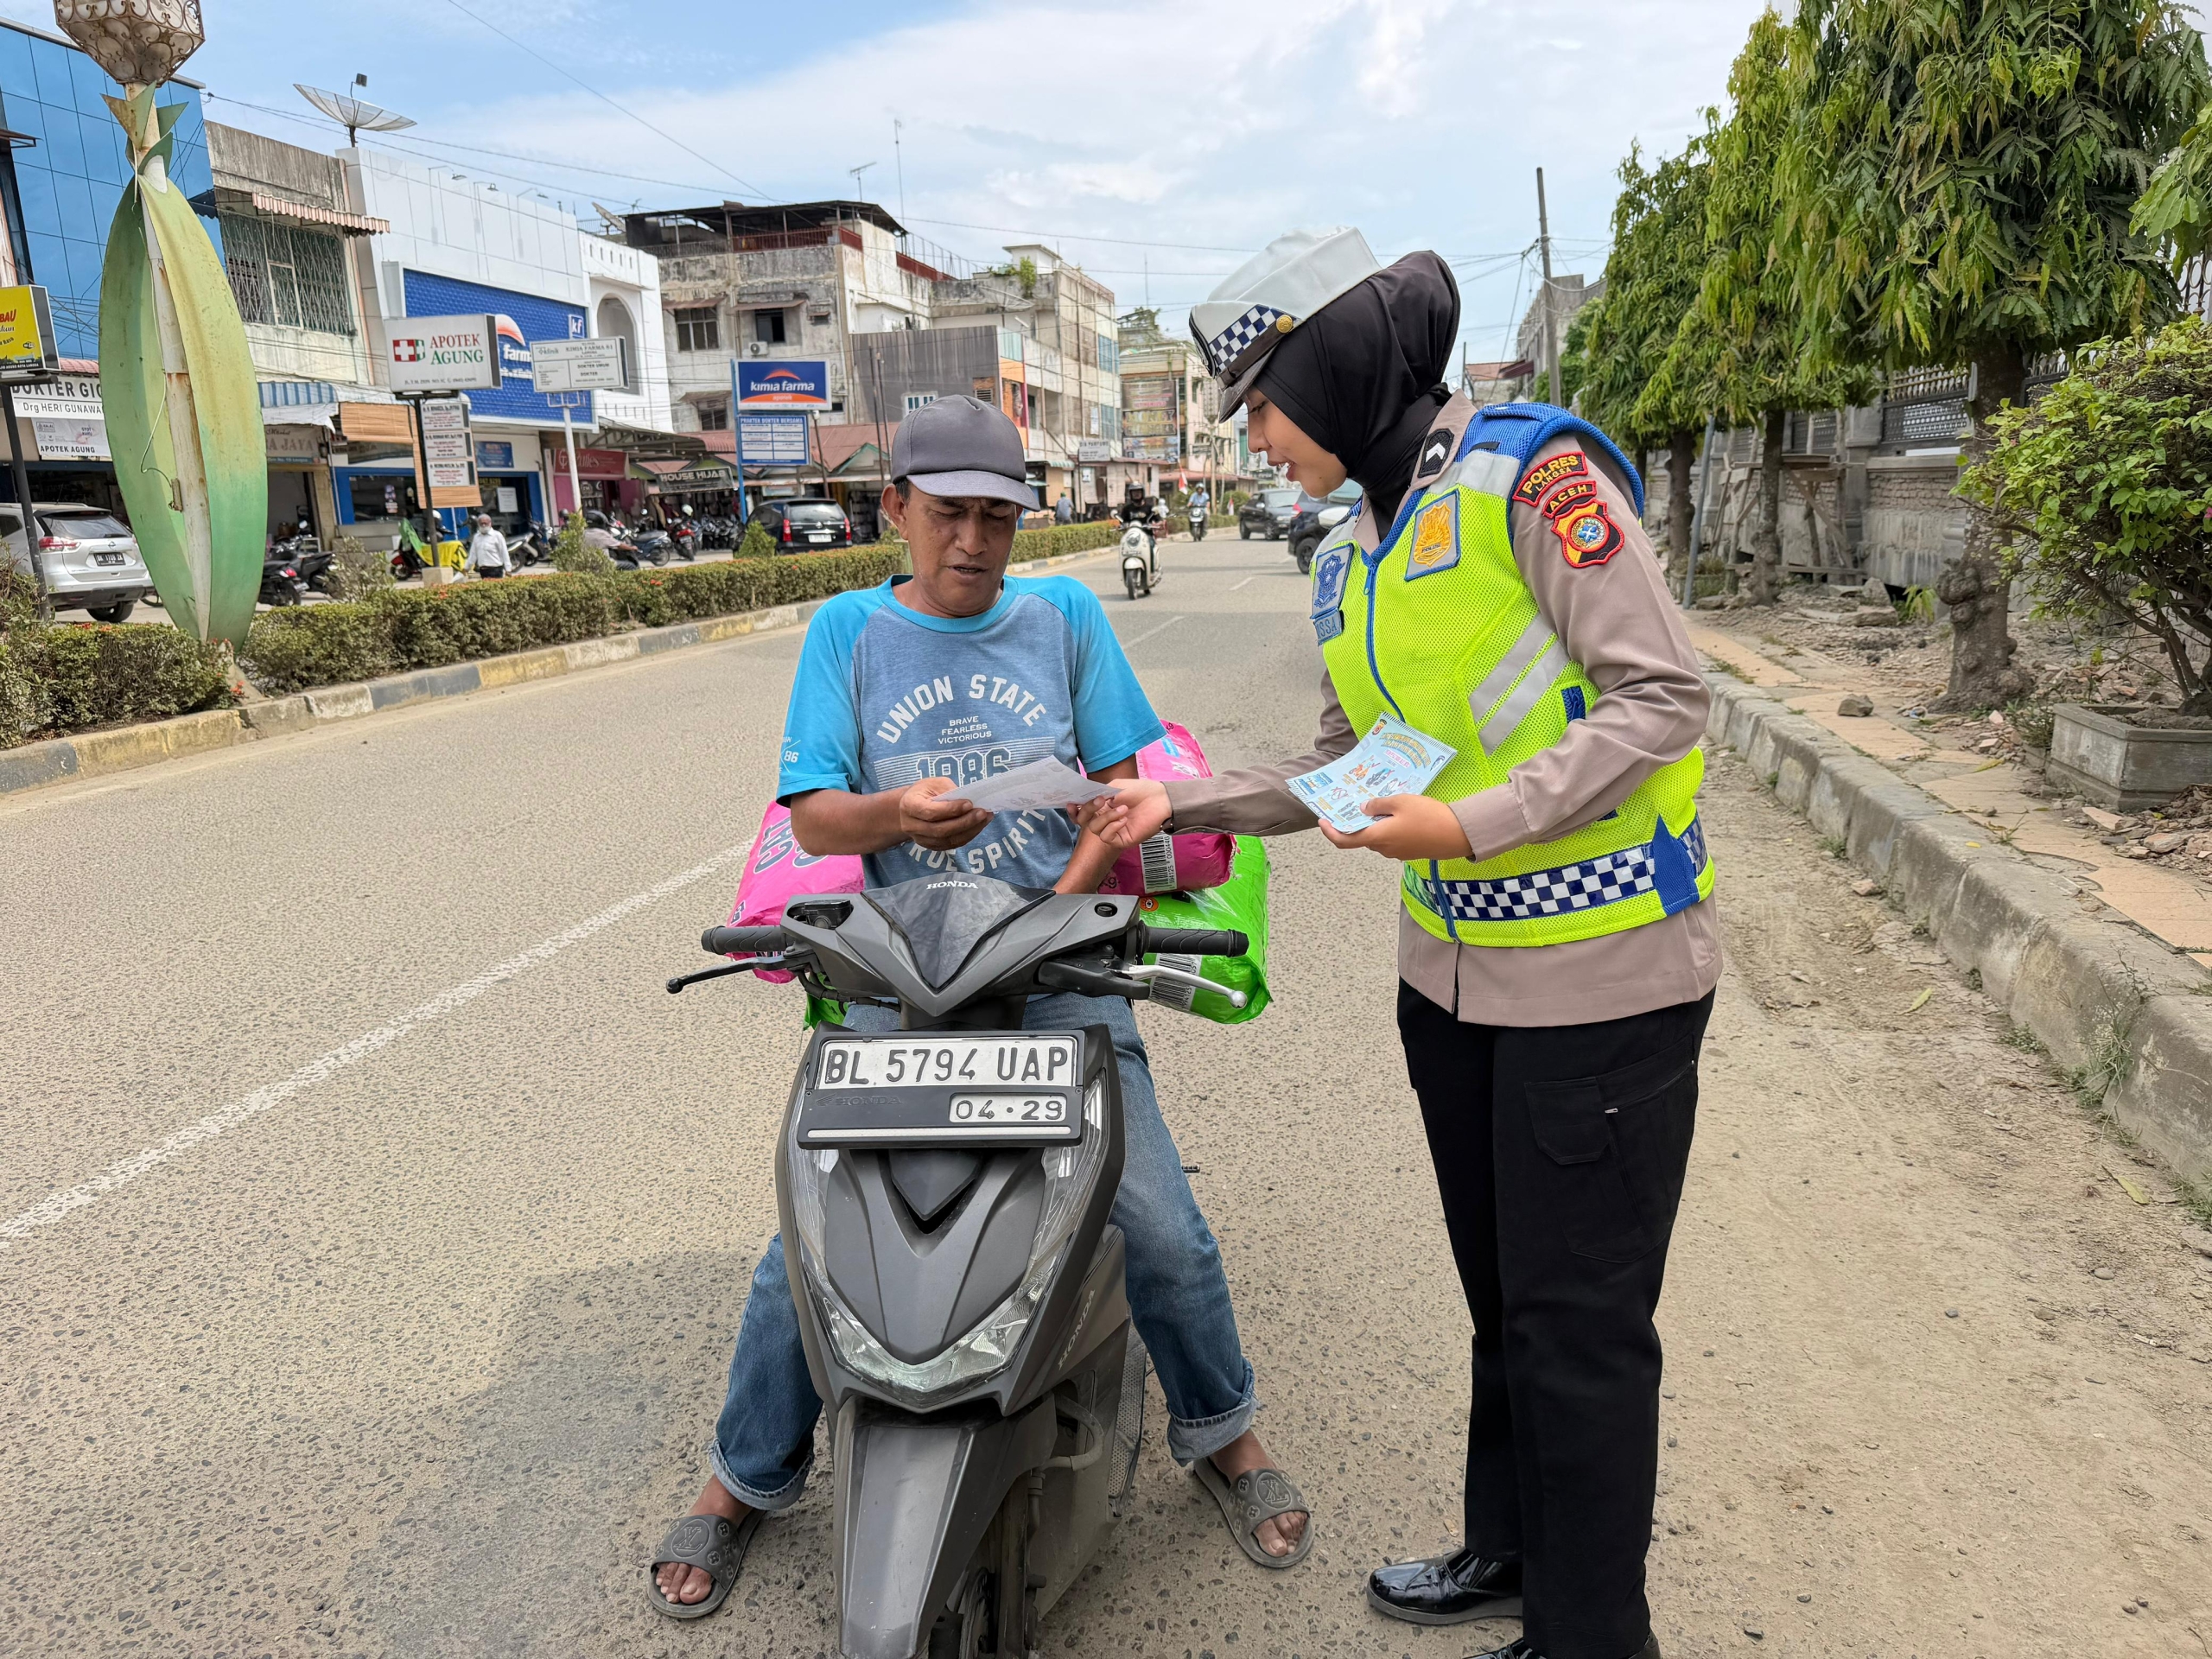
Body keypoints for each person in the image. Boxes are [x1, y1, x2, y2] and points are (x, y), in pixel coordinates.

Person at [1078, 228, 1719, 1659]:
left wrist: (1480, 820)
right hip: (1453, 992)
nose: (1255, 441)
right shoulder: (1358, 551)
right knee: (1507, 1309)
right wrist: (1173, 802)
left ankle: (1591, 1637)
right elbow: (1343, 771)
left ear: (1336, 367)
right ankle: (1510, 1553)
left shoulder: (1535, 476)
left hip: (1601, 989)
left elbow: (1661, 696)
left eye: (1261, 405)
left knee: (1582, 1336)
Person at [645, 395, 1314, 1621]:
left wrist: (1059, 902)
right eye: (949, 514)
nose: (973, 541)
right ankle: (745, 1475)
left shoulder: (1062, 615)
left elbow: (1121, 796)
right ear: (893, 508)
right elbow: (812, 815)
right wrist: (902, 817)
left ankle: (1223, 1431)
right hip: (902, 984)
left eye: (997, 518)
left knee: (1157, 1223)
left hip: (1055, 970)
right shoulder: (846, 631)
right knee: (812, 1246)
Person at [467, 513, 510, 579]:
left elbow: (504, 553)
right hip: (483, 570)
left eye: (485, 523)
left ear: (490, 523)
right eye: (481, 523)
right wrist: (466, 568)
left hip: (496, 570)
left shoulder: (497, 536)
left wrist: (508, 569)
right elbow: (473, 554)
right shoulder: (476, 537)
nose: (483, 525)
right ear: (478, 524)